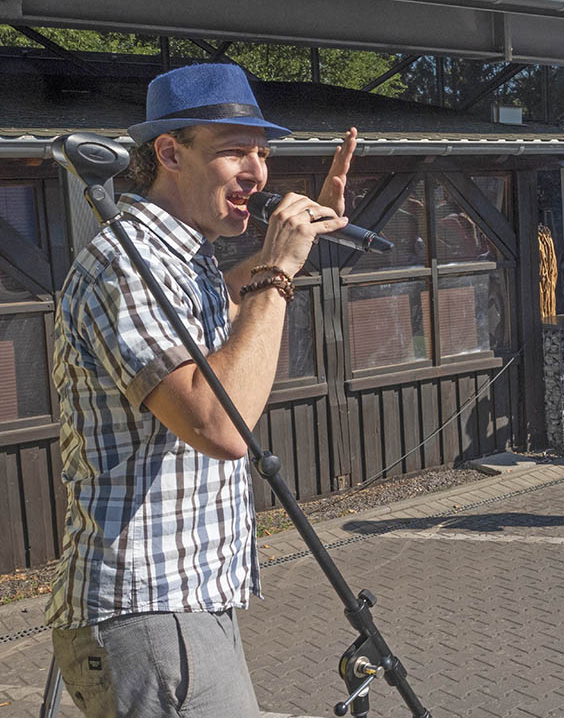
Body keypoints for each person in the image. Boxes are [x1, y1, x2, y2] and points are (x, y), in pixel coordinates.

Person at [47, 63, 357, 717]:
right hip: (148, 604)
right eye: (236, 151)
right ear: (169, 153)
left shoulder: (183, 260)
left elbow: (230, 297)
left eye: (264, 154)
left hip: (183, 602)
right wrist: (279, 268)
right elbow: (220, 425)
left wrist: (292, 250)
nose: (258, 173)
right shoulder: (125, 262)